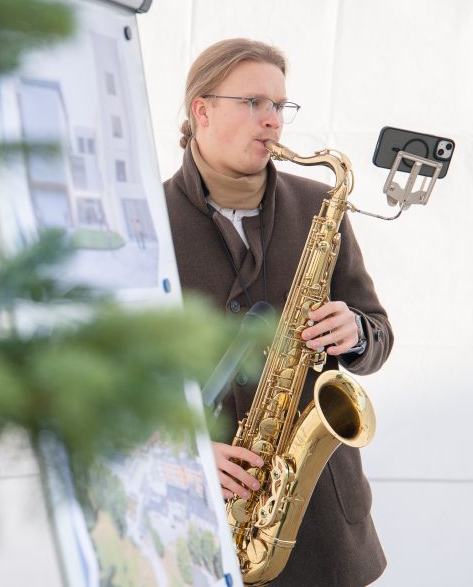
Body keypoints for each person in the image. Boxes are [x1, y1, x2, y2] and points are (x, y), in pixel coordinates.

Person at [164, 38, 394, 586]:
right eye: (253, 103)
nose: (272, 121)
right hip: (203, 511)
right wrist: (183, 451)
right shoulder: (148, 223)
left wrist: (355, 331)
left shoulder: (320, 204)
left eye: (280, 106)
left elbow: (378, 332)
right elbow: (113, 380)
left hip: (324, 528)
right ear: (202, 110)